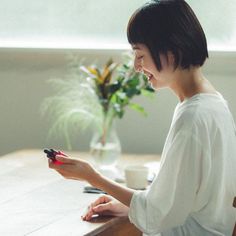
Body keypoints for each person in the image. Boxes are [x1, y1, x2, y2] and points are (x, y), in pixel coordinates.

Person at [48, 0, 236, 235]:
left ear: (171, 50)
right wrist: (129, 209)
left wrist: (92, 176)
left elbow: (158, 214)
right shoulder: (215, 103)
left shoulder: (193, 117)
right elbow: (179, 204)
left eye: (140, 54)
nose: (137, 66)